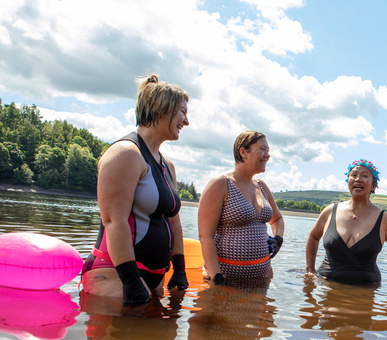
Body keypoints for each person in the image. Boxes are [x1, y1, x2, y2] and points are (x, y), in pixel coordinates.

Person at [82, 74, 190, 307]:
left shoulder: (167, 165)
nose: (186, 121)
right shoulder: (125, 153)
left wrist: (179, 269)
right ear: (162, 109)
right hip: (115, 275)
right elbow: (113, 221)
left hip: (154, 279)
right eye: (182, 111)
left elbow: (174, 223)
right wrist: (131, 280)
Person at [198, 131, 284, 285]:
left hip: (262, 278)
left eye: (268, 150)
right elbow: (206, 236)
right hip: (226, 279)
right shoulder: (220, 184)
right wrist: (216, 276)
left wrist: (278, 238)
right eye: (263, 149)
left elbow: (277, 219)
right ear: (243, 152)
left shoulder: (262, 186)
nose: (267, 155)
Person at [306, 159, 387, 287]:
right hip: (326, 284)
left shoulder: (385, 219)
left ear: (374, 185)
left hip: (366, 289)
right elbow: (313, 237)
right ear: (348, 182)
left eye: (364, 175)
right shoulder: (330, 211)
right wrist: (310, 270)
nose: (358, 179)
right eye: (353, 175)